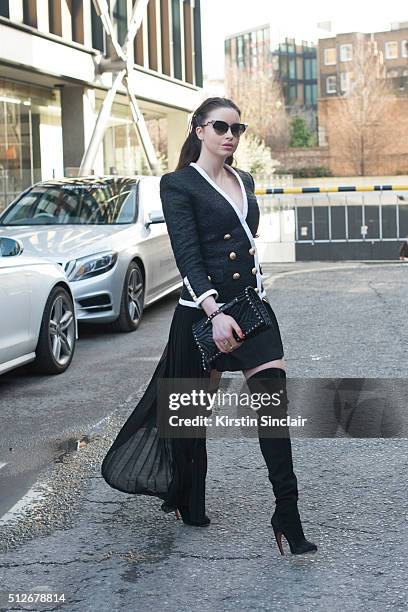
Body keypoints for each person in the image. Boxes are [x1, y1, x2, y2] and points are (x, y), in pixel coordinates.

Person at [101, 96, 317, 556]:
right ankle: (186, 494)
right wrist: (214, 313)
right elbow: (188, 253)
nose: (230, 136)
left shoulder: (246, 179)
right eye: (221, 126)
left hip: (251, 310)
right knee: (189, 417)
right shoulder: (179, 184)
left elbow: (244, 241)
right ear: (198, 129)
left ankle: (288, 514)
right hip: (203, 314)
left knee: (272, 408)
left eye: (238, 129)